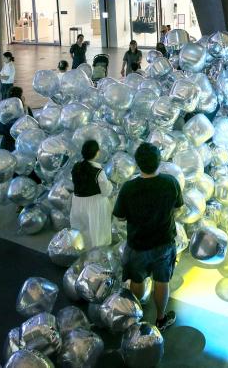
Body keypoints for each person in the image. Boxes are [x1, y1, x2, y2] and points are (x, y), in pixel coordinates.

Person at [112, 142, 183, 331]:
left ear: (137, 163)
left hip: (137, 243)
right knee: (162, 281)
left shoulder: (128, 188)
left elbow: (119, 215)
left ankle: (136, 318)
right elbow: (178, 208)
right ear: (158, 162)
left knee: (137, 280)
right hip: (164, 242)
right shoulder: (171, 182)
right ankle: (160, 318)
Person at [70, 140, 113, 249]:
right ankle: (96, 252)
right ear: (97, 153)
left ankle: (80, 247)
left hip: (77, 202)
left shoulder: (76, 167)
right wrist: (111, 184)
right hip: (94, 204)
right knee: (96, 230)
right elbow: (106, 191)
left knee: (81, 228)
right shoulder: (98, 171)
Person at [0, 86, 33, 151]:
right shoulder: (26, 109)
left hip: (8, 145)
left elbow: (0, 129)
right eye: (22, 95)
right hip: (21, 145)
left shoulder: (3, 111)